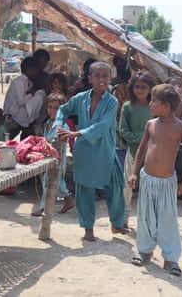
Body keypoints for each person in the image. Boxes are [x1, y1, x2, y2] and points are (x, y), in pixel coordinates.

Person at [54, 61, 129, 241]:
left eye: (105, 76)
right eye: (98, 76)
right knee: (85, 190)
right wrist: (58, 125)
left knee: (116, 186)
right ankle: (88, 229)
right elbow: (63, 110)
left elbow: (102, 126)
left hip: (105, 150)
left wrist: (75, 133)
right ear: (90, 78)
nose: (102, 79)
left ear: (110, 78)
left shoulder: (112, 102)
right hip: (84, 151)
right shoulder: (80, 98)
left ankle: (116, 223)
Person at [128, 83, 182, 277]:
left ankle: (171, 258)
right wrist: (133, 173)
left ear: (166, 105)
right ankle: (145, 251)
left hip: (167, 182)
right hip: (147, 179)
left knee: (167, 219)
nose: (150, 103)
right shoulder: (151, 125)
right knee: (146, 216)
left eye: (154, 101)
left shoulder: (181, 128)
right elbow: (141, 150)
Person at [118, 71, 156, 227]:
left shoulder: (155, 107)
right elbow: (123, 131)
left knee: (150, 188)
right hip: (133, 152)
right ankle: (124, 219)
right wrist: (144, 137)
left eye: (144, 87)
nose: (140, 90)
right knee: (127, 187)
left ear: (150, 89)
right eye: (137, 87)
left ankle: (148, 221)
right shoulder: (127, 107)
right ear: (132, 88)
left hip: (153, 154)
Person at [31, 92, 75, 216]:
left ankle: (43, 207)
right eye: (50, 107)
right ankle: (68, 200)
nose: (53, 110)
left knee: (49, 180)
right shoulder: (48, 123)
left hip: (58, 159)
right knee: (56, 182)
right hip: (48, 157)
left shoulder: (62, 125)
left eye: (57, 108)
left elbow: (60, 142)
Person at [2, 57, 46, 139]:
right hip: (14, 112)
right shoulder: (19, 81)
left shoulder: (27, 81)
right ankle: (31, 120)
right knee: (40, 95)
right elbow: (21, 102)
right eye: (36, 70)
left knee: (41, 93)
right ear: (30, 70)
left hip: (19, 110)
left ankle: (32, 119)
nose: (37, 73)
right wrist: (31, 94)